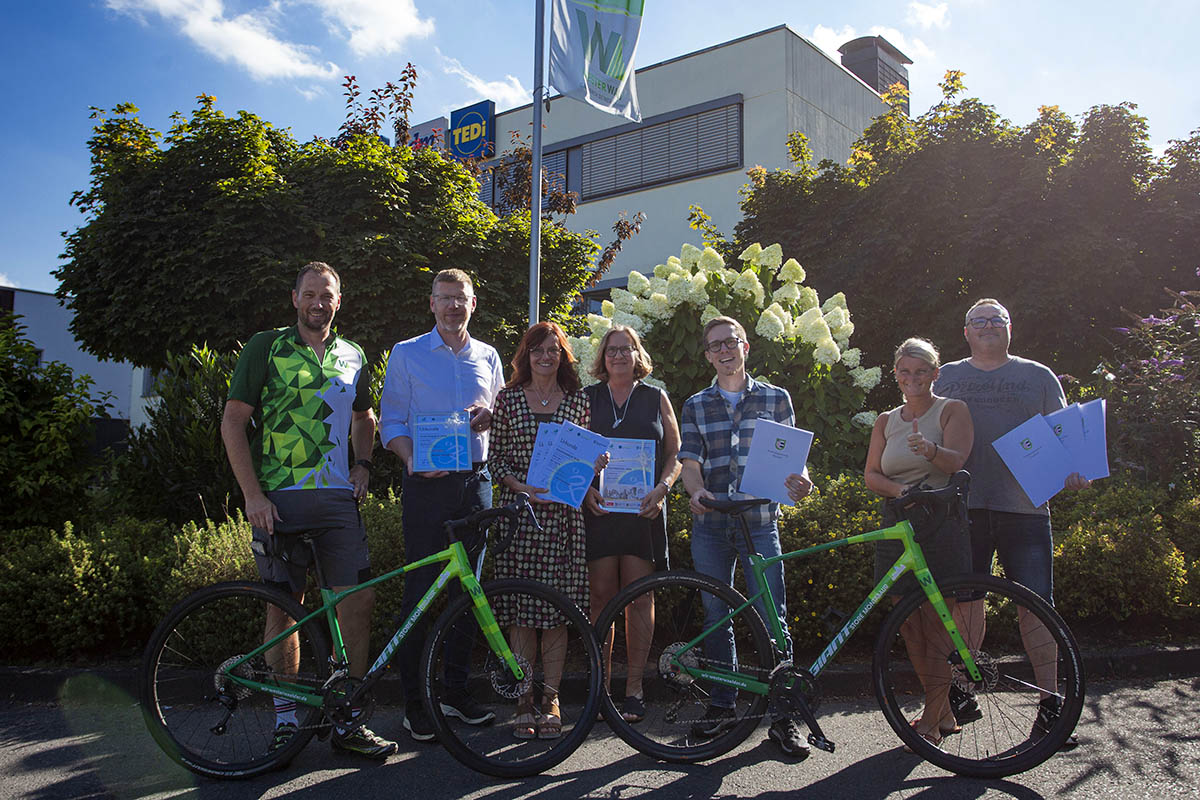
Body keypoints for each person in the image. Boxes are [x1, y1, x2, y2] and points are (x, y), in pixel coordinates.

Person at [220, 261, 396, 759]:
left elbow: (365, 416)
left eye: (329, 295)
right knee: (284, 611)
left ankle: (348, 719)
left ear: (338, 302)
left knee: (357, 605)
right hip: (279, 500)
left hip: (339, 500)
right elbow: (233, 423)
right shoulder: (266, 347)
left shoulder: (352, 353)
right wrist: (253, 496)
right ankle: (284, 721)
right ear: (295, 298)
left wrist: (363, 464)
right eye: (311, 294)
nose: (319, 302)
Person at [934, 298, 1088, 748]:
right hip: (963, 507)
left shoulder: (1038, 376)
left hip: (1025, 508)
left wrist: (1076, 468)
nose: (987, 327)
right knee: (966, 601)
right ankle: (962, 692)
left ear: (1009, 328)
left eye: (995, 320)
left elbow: (1064, 433)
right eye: (978, 321)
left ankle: (1051, 706)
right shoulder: (946, 376)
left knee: (1037, 607)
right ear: (965, 332)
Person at [678, 315, 814, 759]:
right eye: (715, 345)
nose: (724, 350)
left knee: (773, 614)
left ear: (745, 347)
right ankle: (722, 705)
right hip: (712, 524)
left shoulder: (776, 398)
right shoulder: (696, 404)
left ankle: (784, 715)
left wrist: (802, 481)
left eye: (730, 342)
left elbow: (795, 459)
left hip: (759, 520)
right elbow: (690, 462)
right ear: (707, 354)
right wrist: (696, 491)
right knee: (717, 613)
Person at [378, 268, 505, 743]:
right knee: (421, 594)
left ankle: (456, 692)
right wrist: (411, 459)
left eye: (461, 299)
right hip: (426, 487)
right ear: (431, 304)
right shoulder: (407, 354)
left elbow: (497, 412)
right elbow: (390, 421)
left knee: (468, 593)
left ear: (474, 304)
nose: (453, 306)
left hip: (475, 482)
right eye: (445, 298)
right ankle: (415, 701)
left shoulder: (488, 355)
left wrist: (491, 415)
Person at [863, 337, 973, 750]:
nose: (912, 379)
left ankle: (931, 714)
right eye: (905, 372)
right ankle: (940, 711)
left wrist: (930, 449)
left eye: (921, 372)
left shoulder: (952, 410)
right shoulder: (885, 421)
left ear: (935, 374)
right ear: (896, 374)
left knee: (935, 618)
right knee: (906, 620)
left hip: (939, 521)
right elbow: (872, 474)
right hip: (899, 520)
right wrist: (897, 491)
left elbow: (957, 461)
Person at [490, 322, 593, 740]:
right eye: (537, 350)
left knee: (555, 615)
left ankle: (550, 698)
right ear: (525, 355)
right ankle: (522, 699)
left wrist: (593, 466)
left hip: (563, 521)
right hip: (519, 517)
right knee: (520, 614)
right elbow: (495, 459)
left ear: (563, 356)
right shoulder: (508, 398)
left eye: (553, 349)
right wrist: (518, 486)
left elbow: (586, 456)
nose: (545, 356)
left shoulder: (577, 401)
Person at [582, 324, 682, 724]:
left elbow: (677, 452)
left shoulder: (656, 397)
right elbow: (572, 450)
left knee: (640, 597)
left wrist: (663, 488)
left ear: (638, 355)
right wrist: (585, 488)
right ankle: (600, 687)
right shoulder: (587, 399)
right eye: (611, 351)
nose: (619, 356)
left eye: (626, 349)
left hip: (644, 510)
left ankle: (634, 687)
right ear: (602, 359)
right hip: (600, 510)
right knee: (601, 596)